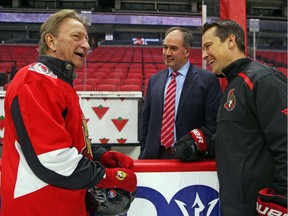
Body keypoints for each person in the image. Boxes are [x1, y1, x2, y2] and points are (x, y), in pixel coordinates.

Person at [1, 9, 137, 216]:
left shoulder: (58, 82)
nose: (87, 45)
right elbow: (52, 157)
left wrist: (99, 155)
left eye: (87, 39)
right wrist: (107, 176)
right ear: (51, 41)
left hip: (62, 204)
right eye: (76, 37)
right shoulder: (34, 81)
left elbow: (68, 140)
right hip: (38, 206)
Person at [174, 20, 287, 215]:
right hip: (236, 203)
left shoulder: (262, 79)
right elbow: (241, 139)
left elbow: (285, 140)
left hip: (260, 205)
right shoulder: (233, 84)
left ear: (231, 41)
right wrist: (205, 144)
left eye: (208, 46)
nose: (203, 55)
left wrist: (282, 198)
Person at [139, 26, 222, 159]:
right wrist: (144, 149)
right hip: (155, 156)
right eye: (165, 47)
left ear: (187, 51)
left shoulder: (208, 81)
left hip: (191, 159)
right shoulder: (155, 80)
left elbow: (212, 126)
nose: (167, 53)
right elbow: (146, 120)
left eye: (173, 48)